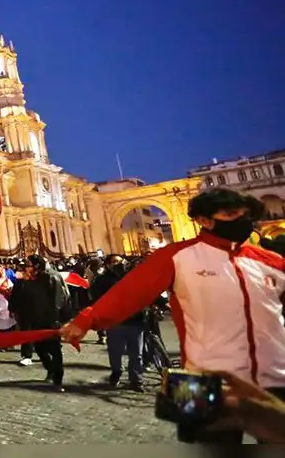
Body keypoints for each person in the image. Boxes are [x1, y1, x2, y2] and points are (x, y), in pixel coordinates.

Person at [60, 188, 285, 444]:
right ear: (204, 219)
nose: (243, 221)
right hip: (199, 377)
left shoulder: (272, 261)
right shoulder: (175, 256)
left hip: (277, 375)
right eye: (232, 214)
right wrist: (86, 320)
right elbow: (130, 292)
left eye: (248, 215)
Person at [90, 255, 145, 392]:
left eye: (120, 261)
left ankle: (136, 380)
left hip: (135, 320)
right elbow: (97, 300)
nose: (118, 264)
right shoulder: (101, 281)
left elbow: (146, 291)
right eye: (114, 262)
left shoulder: (134, 276)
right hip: (115, 322)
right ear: (107, 265)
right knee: (116, 351)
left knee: (136, 353)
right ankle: (116, 371)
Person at [25, 255, 70, 392]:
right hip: (37, 319)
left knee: (54, 349)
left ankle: (58, 379)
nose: (27, 267)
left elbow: (58, 299)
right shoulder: (33, 279)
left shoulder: (52, 277)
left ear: (37, 265)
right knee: (39, 348)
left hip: (51, 320)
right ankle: (50, 369)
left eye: (29, 264)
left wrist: (57, 320)